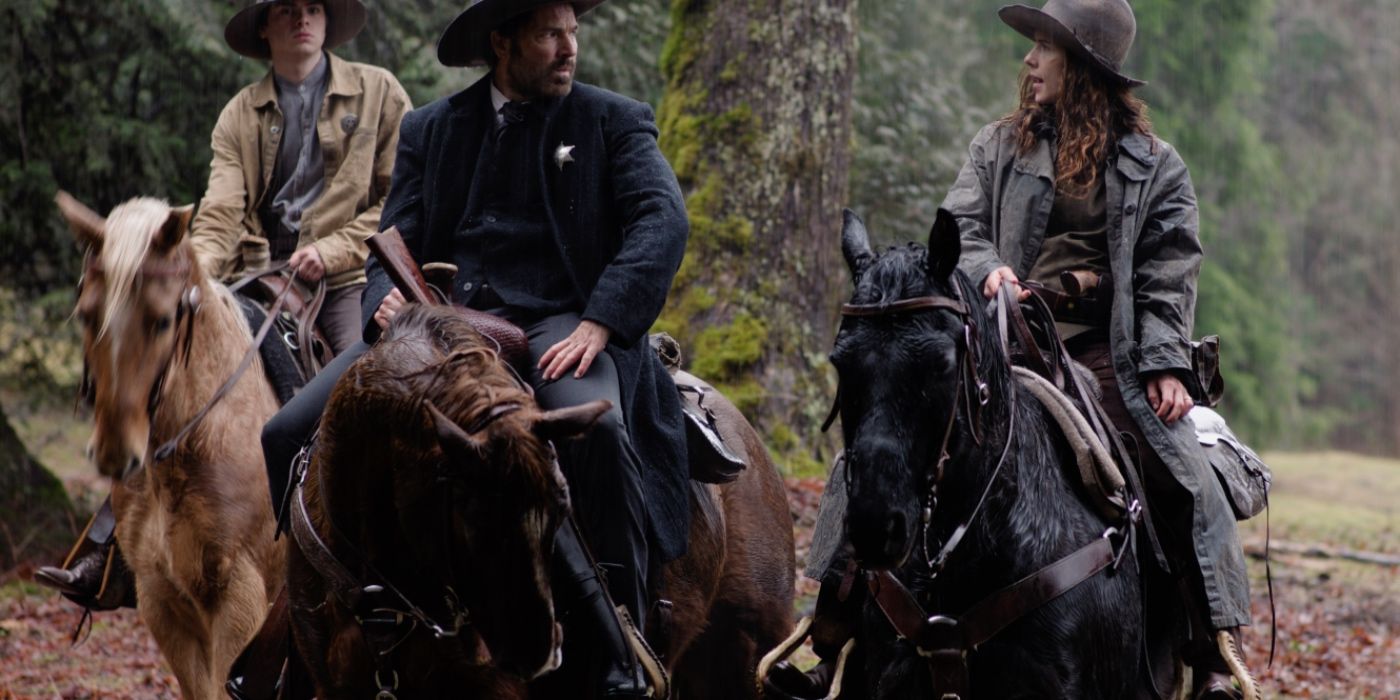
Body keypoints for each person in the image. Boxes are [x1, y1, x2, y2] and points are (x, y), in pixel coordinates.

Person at [772, 2, 1258, 699]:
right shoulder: (996, 146)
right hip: (997, 345)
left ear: (1083, 66)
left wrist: (1166, 363)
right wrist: (986, 268)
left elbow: (1168, 271)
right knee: (880, 442)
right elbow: (961, 225)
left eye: (1043, 49)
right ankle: (831, 638)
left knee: (1182, 469)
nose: (1029, 61)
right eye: (1031, 47)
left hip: (1106, 355)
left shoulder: (1158, 170)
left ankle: (1211, 651)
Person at [259, 1, 688, 696]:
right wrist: (383, 305)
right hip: (436, 333)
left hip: (556, 329)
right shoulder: (433, 128)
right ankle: (296, 636)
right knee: (283, 433)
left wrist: (601, 322)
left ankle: (618, 649)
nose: (568, 48)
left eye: (571, 33)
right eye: (550, 34)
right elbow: (392, 240)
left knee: (601, 435)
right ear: (503, 43)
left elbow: (662, 222)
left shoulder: (613, 119)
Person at [34, 0, 410, 610]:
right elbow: (221, 212)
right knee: (170, 375)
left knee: (365, 382)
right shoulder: (241, 112)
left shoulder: (379, 93)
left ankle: (380, 553)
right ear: (265, 28)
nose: (302, 19)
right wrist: (195, 272)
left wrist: (335, 249)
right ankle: (112, 548)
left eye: (313, 7)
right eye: (286, 9)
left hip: (348, 277)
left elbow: (400, 198)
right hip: (258, 273)